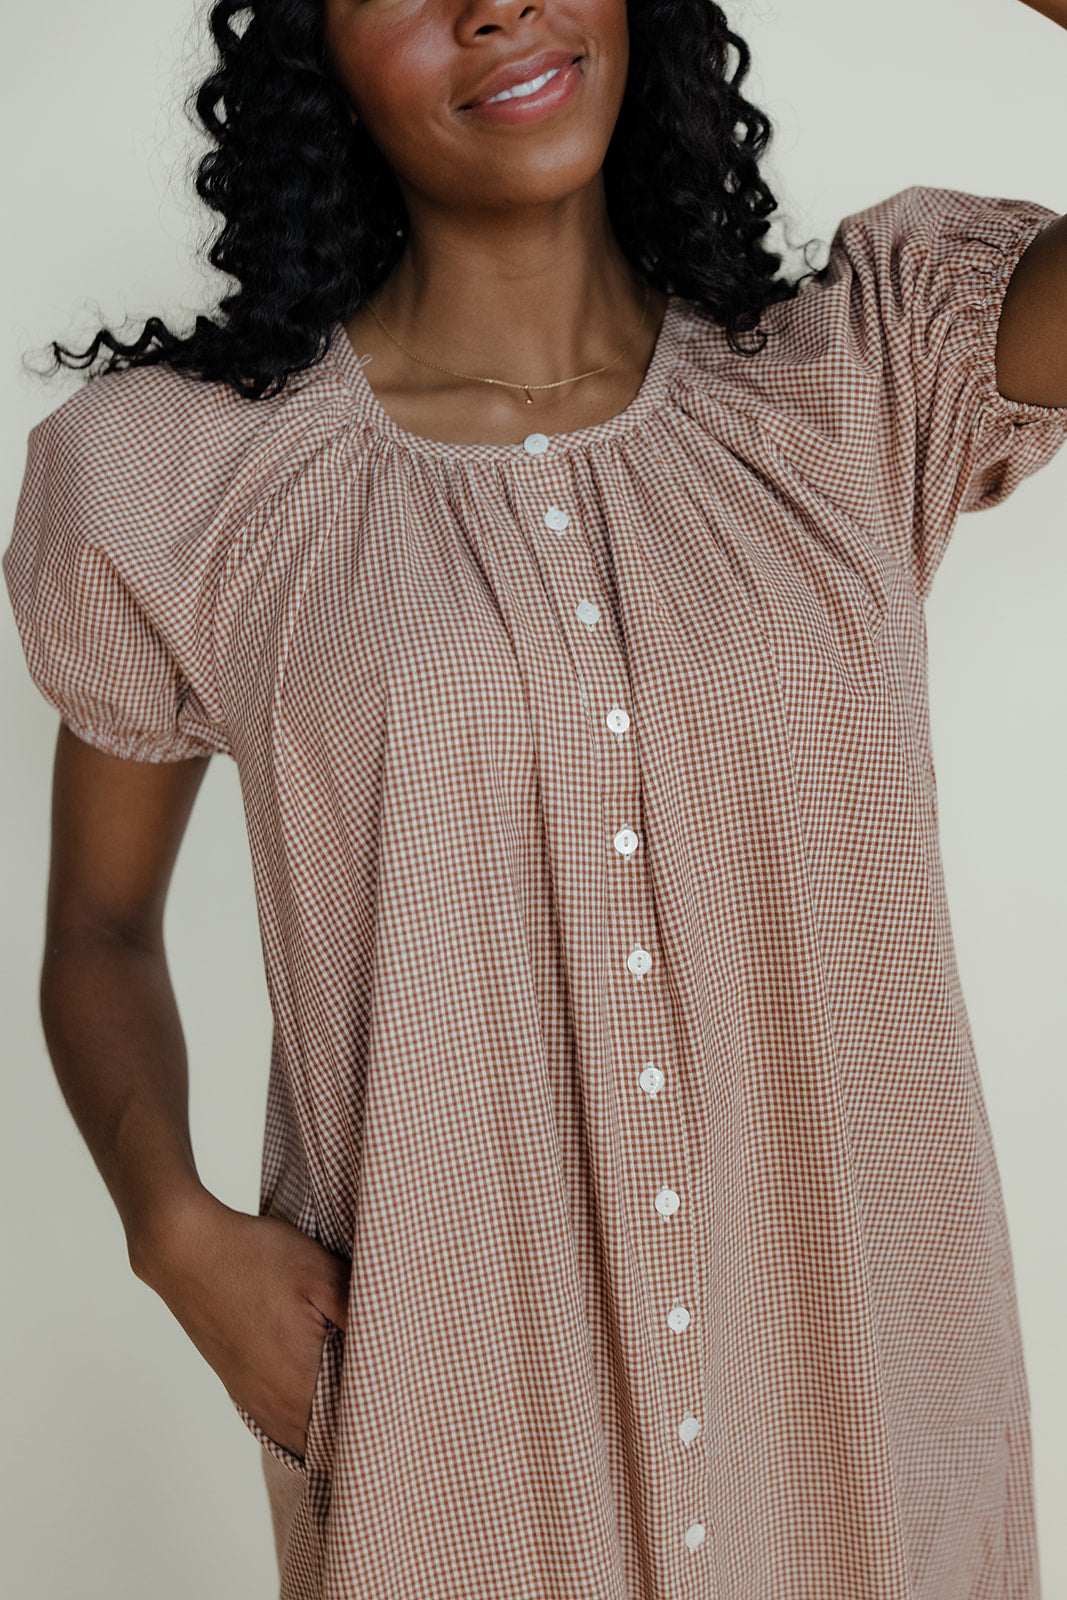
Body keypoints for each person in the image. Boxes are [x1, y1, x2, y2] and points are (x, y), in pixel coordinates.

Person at [4, 0, 1067, 1591]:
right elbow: (97, 927)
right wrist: (174, 1230)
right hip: (457, 1429)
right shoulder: (180, 479)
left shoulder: (863, 370)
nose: (497, 7)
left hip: (865, 1421)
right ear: (310, 53)